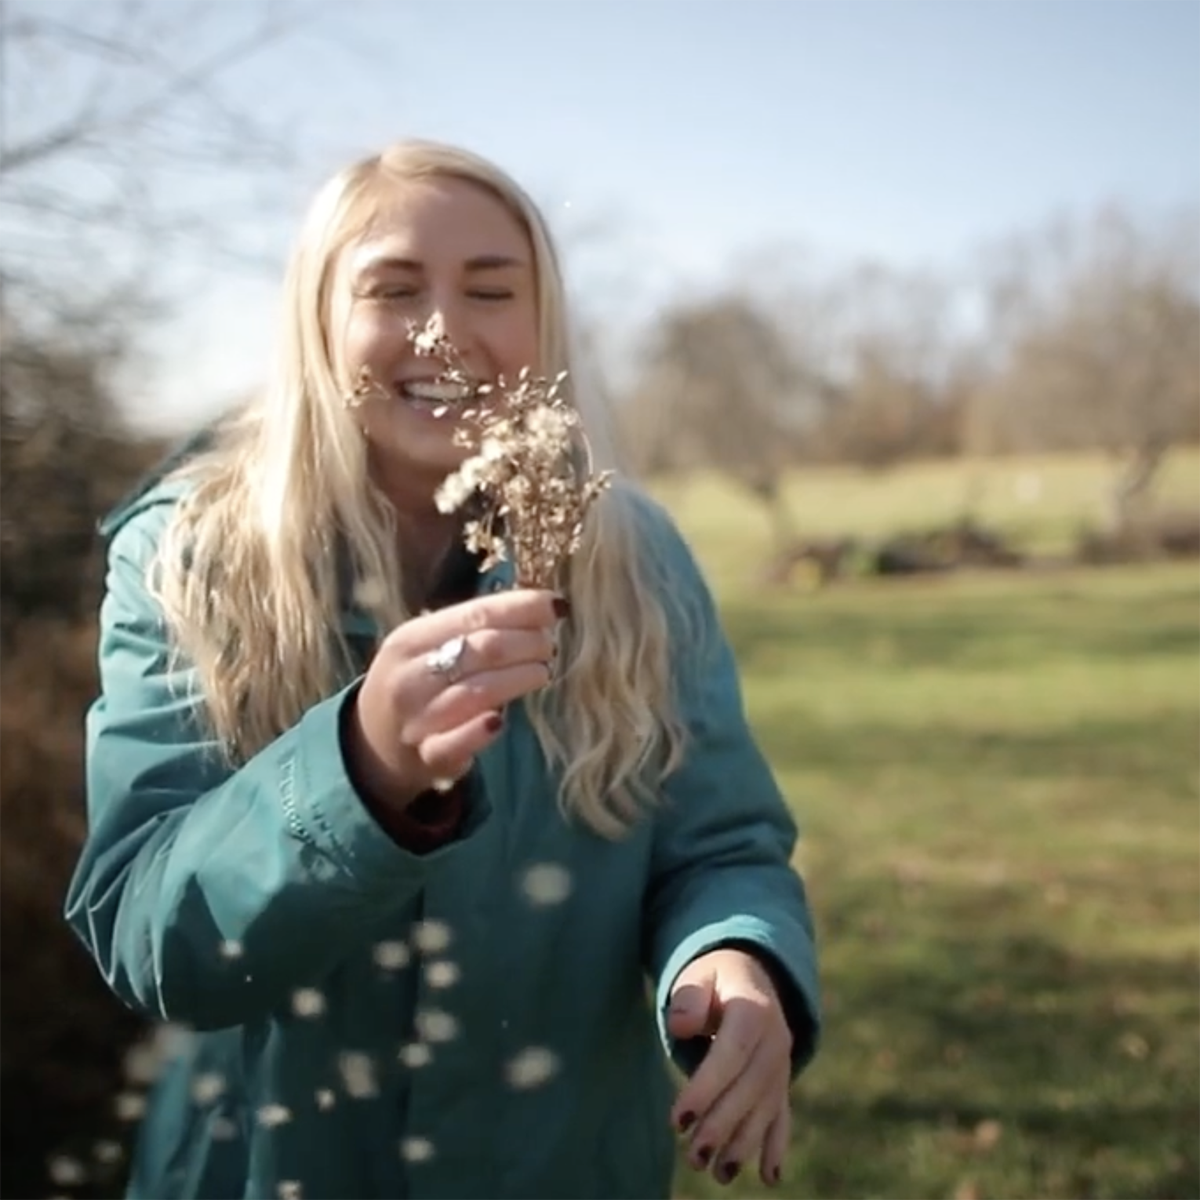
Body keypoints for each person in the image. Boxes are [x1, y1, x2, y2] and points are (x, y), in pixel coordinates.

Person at [65, 138, 821, 1200]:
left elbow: (723, 845)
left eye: (491, 289)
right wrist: (359, 766)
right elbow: (154, 938)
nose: (444, 328)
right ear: (317, 322)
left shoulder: (632, 560)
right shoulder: (190, 561)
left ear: (543, 323)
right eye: (392, 287)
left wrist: (733, 959)